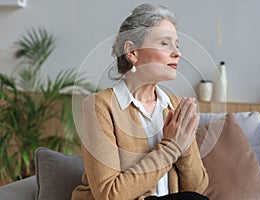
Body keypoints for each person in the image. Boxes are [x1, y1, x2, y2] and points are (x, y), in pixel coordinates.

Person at [72, 3, 209, 200]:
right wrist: (172, 146)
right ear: (132, 52)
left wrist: (183, 145)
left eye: (177, 44)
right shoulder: (99, 106)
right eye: (164, 43)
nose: (177, 53)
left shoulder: (174, 105)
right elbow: (110, 194)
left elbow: (197, 187)